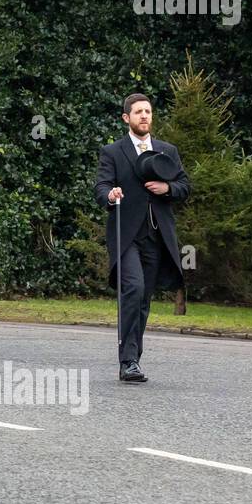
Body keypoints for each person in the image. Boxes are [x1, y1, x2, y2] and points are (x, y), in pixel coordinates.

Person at [93, 92, 191, 383]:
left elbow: (184, 186)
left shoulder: (167, 150)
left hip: (157, 236)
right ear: (127, 118)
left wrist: (167, 188)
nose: (145, 116)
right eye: (138, 112)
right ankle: (127, 361)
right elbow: (101, 187)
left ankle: (134, 360)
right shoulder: (113, 152)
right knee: (132, 289)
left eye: (148, 111)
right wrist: (111, 195)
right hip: (126, 236)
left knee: (144, 299)